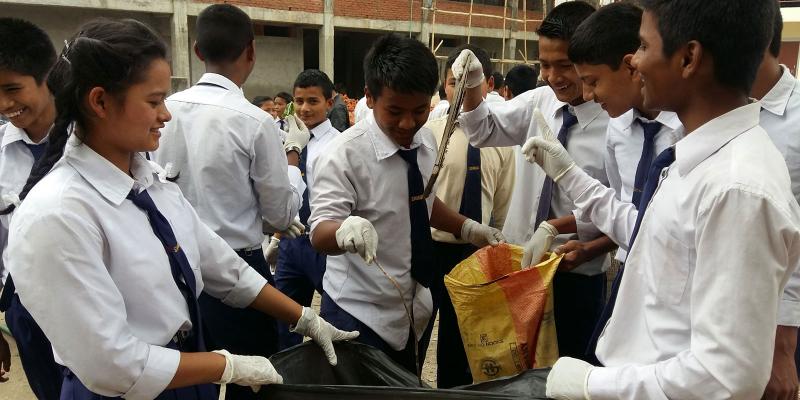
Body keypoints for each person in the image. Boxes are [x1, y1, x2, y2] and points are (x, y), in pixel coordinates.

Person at [5, 17, 357, 400]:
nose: (166, 115)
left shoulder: (149, 180)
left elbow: (220, 264)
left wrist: (305, 318)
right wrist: (230, 365)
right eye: (154, 101)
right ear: (100, 101)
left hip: (184, 376)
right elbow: (111, 364)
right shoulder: (58, 214)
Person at [519, 1, 800, 398]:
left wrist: (591, 385)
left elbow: (725, 376)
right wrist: (572, 177)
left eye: (644, 47)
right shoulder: (699, 157)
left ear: (688, 57)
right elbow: (646, 236)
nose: (635, 62)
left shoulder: (736, 188)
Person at [309, 34, 505, 373]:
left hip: (412, 307)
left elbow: (423, 202)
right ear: (369, 97)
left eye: (419, 111)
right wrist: (343, 231)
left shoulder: (425, 141)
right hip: (358, 313)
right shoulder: (343, 155)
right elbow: (320, 232)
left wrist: (468, 228)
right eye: (395, 111)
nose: (407, 123)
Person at [152, 5, 309, 399]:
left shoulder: (162, 110)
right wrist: (293, 160)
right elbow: (280, 214)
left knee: (190, 376)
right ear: (251, 52)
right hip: (240, 269)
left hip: (174, 267)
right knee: (249, 380)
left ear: (197, 49)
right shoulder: (254, 121)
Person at [454, 1, 615, 362]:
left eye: (566, 65)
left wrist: (563, 233)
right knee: (514, 369)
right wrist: (474, 86)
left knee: (567, 372)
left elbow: (619, 208)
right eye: (545, 65)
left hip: (574, 275)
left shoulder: (616, 120)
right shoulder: (539, 103)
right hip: (519, 269)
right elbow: (482, 130)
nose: (554, 76)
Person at [425, 44, 515, 388]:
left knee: (460, 342)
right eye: (452, 82)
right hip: (432, 248)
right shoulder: (429, 134)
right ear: (443, 86)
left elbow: (503, 202)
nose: (459, 89)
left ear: (488, 84)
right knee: (417, 332)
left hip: (475, 254)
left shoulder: (502, 140)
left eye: (468, 81)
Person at [0, 17, 63, 399]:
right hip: (27, 310)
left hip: (100, 305)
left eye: (13, 88)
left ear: (48, 78)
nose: (4, 104)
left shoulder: (95, 142)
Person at [268, 69, 339, 350]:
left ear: (329, 103)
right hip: (291, 241)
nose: (304, 109)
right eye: (299, 101)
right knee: (284, 317)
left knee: (334, 313)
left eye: (313, 101)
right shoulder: (284, 141)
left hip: (323, 243)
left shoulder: (338, 144)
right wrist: (276, 238)